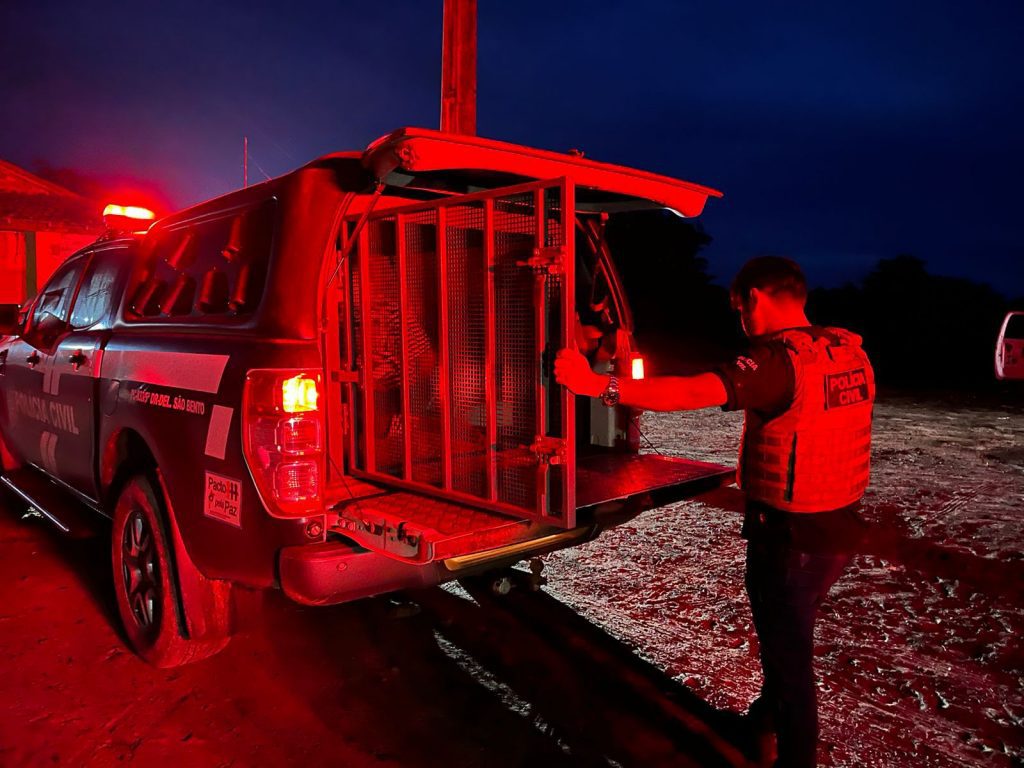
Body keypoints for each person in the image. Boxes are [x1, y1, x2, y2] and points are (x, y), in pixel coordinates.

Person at [554, 256, 873, 768]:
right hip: (836, 528)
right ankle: (762, 725)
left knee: (790, 667)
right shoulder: (843, 351)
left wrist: (598, 386)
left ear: (754, 298)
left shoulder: (778, 361)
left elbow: (692, 391)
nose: (740, 319)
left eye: (738, 307)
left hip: (791, 539)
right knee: (787, 643)